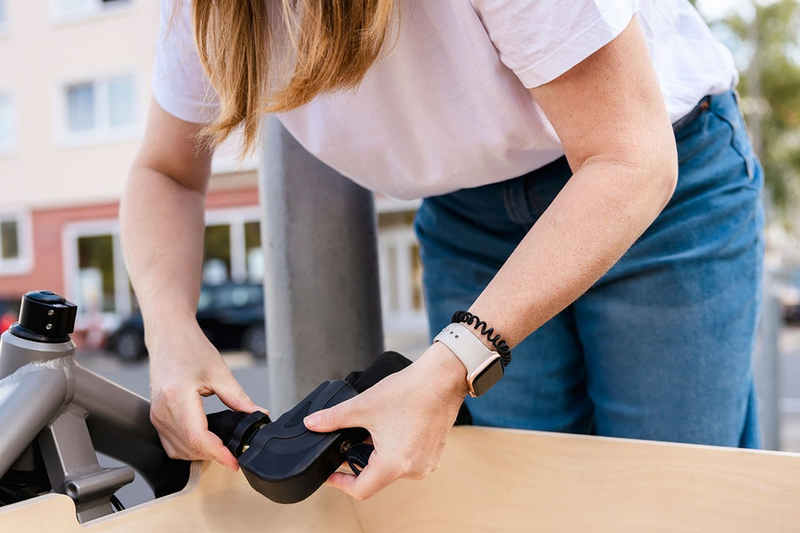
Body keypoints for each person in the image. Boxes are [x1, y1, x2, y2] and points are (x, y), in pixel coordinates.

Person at [121, 0, 763, 501]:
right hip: (469, 216)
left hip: (654, 182)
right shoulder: (202, 11)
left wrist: (454, 363)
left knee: (674, 503)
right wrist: (169, 333)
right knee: (527, 508)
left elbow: (631, 158)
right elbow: (165, 172)